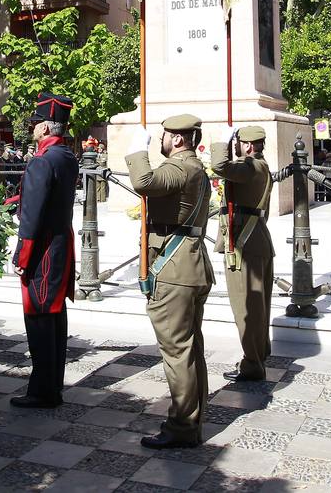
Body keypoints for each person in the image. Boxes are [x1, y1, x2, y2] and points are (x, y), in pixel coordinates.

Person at [125, 114, 212, 449]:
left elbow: (144, 182)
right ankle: (192, 418)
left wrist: (136, 151)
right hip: (189, 266)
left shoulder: (180, 168)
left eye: (163, 135)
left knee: (177, 351)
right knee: (189, 349)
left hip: (175, 271)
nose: (159, 140)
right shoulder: (196, 168)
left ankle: (183, 427)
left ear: (178, 139)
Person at [10, 93, 79, 409]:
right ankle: (53, 385)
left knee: (38, 319)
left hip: (43, 251)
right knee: (55, 319)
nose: (33, 128)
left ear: (46, 129)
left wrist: (21, 256)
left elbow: (32, 217)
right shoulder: (66, 157)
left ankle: (42, 391)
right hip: (61, 245)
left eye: (36, 123)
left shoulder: (42, 161)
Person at [210, 124, 273, 382]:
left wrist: (223, 141)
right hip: (255, 240)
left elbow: (220, 166)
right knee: (257, 306)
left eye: (238, 144)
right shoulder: (259, 166)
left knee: (245, 306)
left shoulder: (250, 167)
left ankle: (252, 363)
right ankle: (259, 354)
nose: (236, 148)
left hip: (245, 245)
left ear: (247, 145)